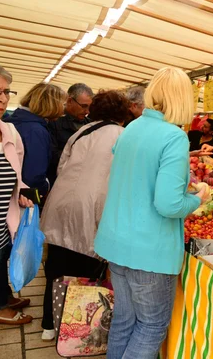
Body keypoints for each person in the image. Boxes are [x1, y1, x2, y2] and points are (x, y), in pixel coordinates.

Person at [94, 67, 209, 359]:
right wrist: (199, 200)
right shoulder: (174, 137)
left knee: (124, 320)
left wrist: (184, 188)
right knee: (151, 326)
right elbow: (168, 205)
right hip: (149, 250)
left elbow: (136, 178)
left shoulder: (132, 127)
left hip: (117, 243)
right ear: (183, 98)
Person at [39, 91, 130, 341]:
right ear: (123, 114)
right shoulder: (124, 136)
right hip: (93, 206)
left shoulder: (81, 131)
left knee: (57, 266)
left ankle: (49, 323)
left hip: (61, 201)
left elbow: (62, 165)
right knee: (86, 268)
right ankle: (77, 329)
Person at [0, 62, 34, 325]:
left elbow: (17, 174)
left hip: (2, 222)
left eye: (7, 92)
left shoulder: (10, 131)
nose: (3, 98)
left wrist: (22, 191)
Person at [5, 83, 67, 198]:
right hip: (23, 199)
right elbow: (34, 175)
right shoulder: (36, 131)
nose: (64, 109)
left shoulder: (11, 122)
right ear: (51, 104)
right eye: (63, 104)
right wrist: (45, 187)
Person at [47, 83, 94, 185]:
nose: (87, 111)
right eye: (83, 106)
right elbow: (52, 155)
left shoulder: (90, 124)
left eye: (89, 107)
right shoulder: (54, 122)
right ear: (69, 101)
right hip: (57, 181)